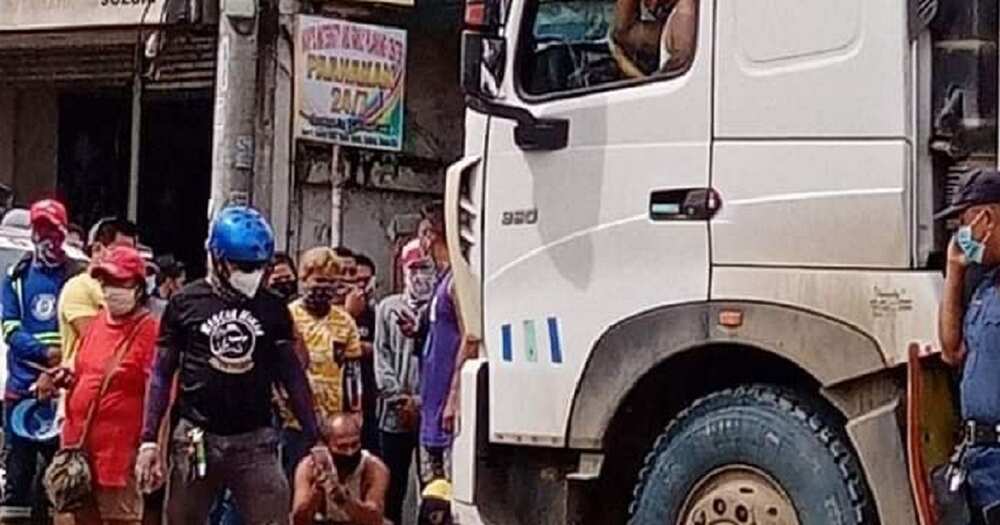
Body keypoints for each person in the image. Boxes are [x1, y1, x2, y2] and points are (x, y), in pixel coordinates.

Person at [135, 206, 321, 525]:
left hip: (256, 440)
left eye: (257, 267)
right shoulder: (185, 303)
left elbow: (292, 375)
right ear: (218, 260)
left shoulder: (273, 307)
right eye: (242, 266)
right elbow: (162, 373)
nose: (250, 274)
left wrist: (315, 438)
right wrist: (150, 439)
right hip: (197, 436)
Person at [54, 246, 159, 525]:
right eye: (105, 282)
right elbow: (82, 367)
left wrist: (153, 450)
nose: (110, 289)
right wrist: (66, 376)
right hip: (78, 456)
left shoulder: (149, 331)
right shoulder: (98, 323)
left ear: (137, 287)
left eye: (118, 282)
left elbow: (161, 397)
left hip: (119, 461)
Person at [0, 199, 77, 524]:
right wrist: (45, 355)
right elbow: (10, 328)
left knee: (64, 482)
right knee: (16, 481)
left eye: (52, 231)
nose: (46, 238)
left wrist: (58, 371)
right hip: (21, 393)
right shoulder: (15, 277)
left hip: (65, 397)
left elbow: (84, 335)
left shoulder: (78, 278)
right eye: (40, 230)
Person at [937, 169, 1000, 525]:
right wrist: (954, 269)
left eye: (964, 222)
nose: (962, 235)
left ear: (986, 218)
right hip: (980, 461)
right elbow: (951, 351)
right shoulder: (985, 282)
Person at [278, 247, 363, 479]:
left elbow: (352, 372)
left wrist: (355, 412)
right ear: (304, 280)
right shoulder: (287, 316)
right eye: (319, 281)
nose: (324, 288)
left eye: (331, 282)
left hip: (333, 422)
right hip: (294, 421)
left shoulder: (345, 322)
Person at [375, 240, 434, 524]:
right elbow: (380, 355)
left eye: (426, 268)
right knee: (392, 483)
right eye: (415, 268)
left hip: (429, 412)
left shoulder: (439, 310)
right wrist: (398, 398)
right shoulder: (388, 308)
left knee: (432, 484)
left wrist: (421, 402)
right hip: (394, 413)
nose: (420, 276)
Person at [58, 217, 139, 366]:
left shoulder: (132, 290)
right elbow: (96, 341)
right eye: (119, 249)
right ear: (97, 249)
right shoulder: (79, 287)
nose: (127, 256)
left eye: (132, 250)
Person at [291, 414, 389, 525]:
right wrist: (317, 491)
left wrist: (345, 501)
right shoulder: (309, 466)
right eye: (342, 447)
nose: (350, 452)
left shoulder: (374, 468)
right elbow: (298, 520)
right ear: (328, 446)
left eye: (354, 444)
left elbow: (374, 520)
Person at [610, 0, 697, 77]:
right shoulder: (673, 17)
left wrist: (628, 68)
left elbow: (669, 90)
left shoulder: (684, 18)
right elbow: (624, 34)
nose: (650, 8)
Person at [351, 254, 380, 456]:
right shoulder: (338, 315)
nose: (361, 285)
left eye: (366, 280)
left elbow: (384, 349)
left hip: (371, 397)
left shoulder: (377, 314)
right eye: (356, 279)